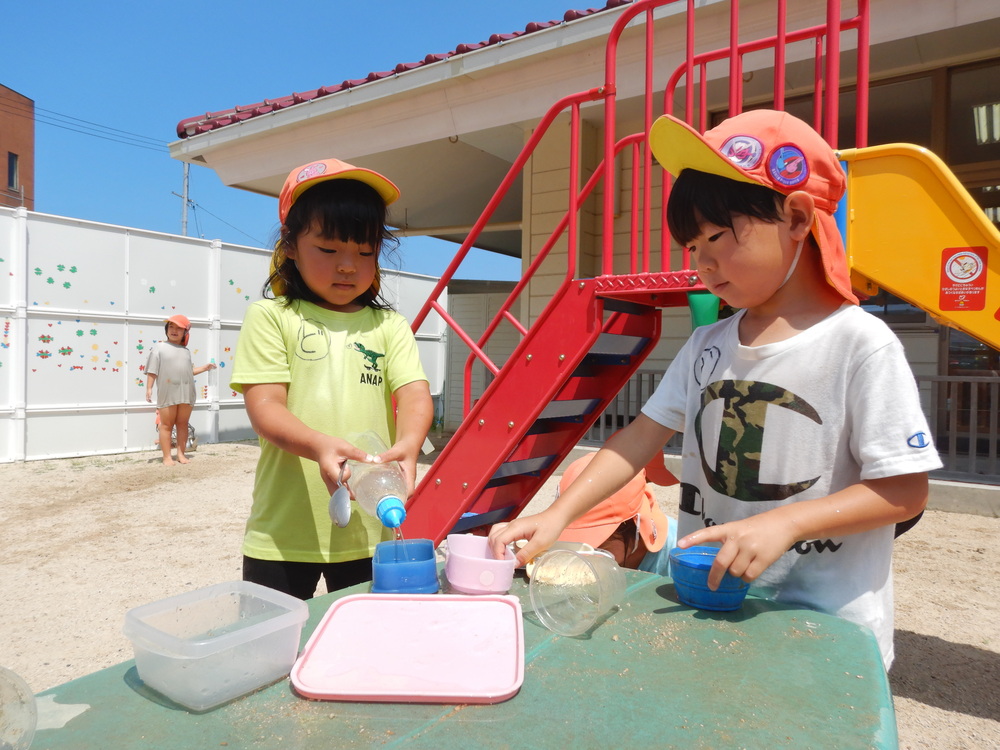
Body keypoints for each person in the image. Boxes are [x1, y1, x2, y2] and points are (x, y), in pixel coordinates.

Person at [490, 109, 943, 669]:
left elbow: (905, 492)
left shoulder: (859, 344)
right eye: (690, 246)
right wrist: (558, 517)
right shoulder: (708, 342)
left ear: (798, 217)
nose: (702, 261)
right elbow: (638, 439)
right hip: (712, 607)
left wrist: (788, 521)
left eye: (718, 237)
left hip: (825, 631)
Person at [230, 158, 433, 600]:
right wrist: (319, 445)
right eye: (328, 249)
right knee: (275, 651)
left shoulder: (389, 326)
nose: (348, 266)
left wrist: (411, 444)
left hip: (369, 527)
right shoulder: (271, 317)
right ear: (290, 247)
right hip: (282, 534)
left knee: (362, 646)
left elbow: (414, 394)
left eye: (364, 252)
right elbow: (265, 409)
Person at [553, 450, 677, 569]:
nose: (583, 557)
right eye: (572, 544)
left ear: (636, 528)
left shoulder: (678, 554)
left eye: (599, 548)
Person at [144, 314, 216, 466]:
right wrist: (149, 388)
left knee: (183, 424)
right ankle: (166, 457)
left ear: (185, 332)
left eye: (179, 328)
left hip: (187, 392)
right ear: (166, 330)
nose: (174, 330)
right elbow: (152, 370)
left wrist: (205, 367)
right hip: (168, 392)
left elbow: (189, 371)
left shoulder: (186, 351)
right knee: (166, 425)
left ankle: (181, 454)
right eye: (171, 327)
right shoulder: (159, 347)